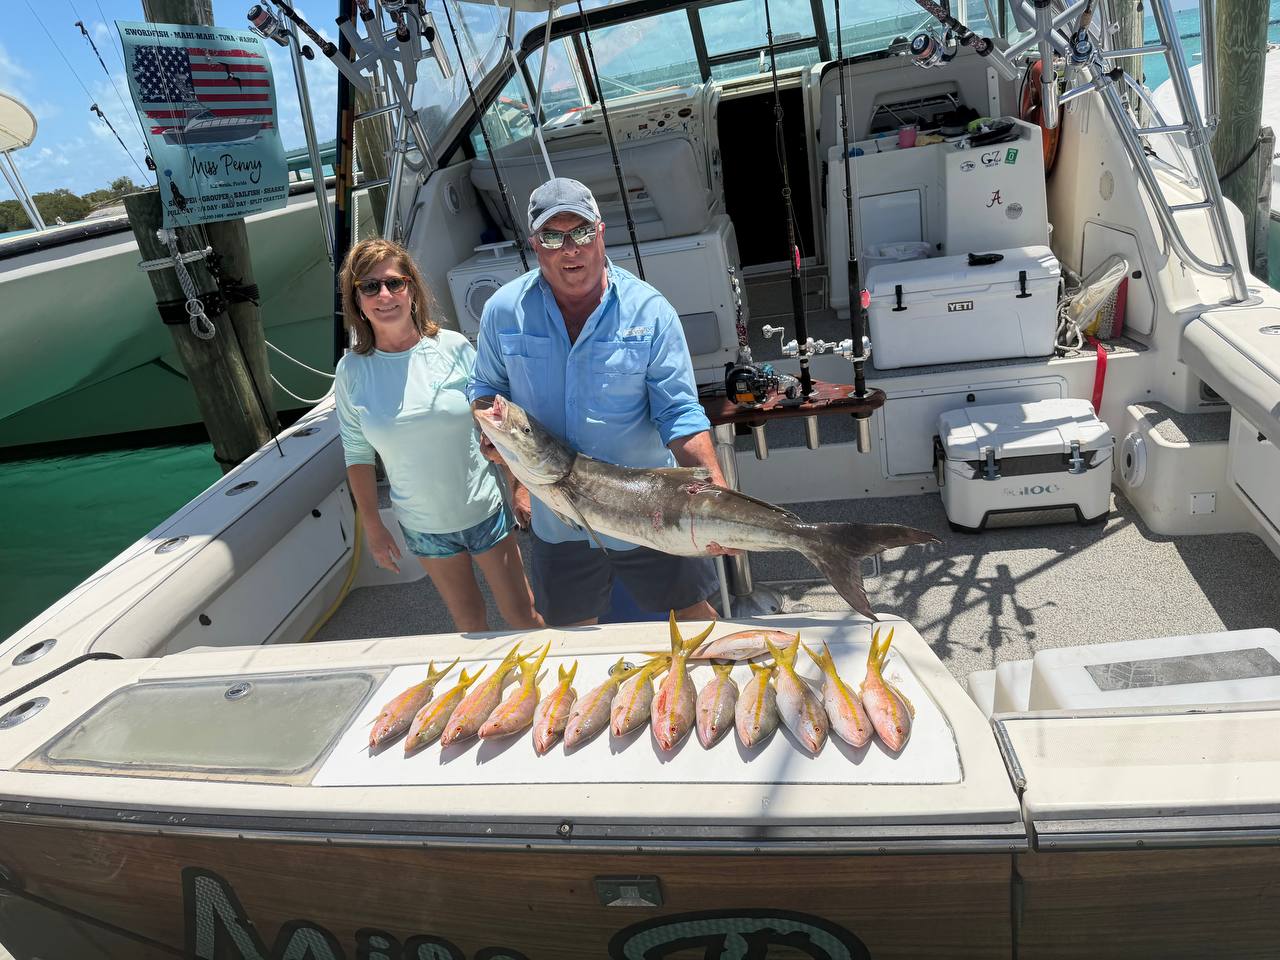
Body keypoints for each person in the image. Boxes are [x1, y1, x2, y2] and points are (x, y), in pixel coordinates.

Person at [469, 177, 731, 628]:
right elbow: (486, 390)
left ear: (600, 233)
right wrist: (506, 465)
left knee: (693, 618)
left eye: (581, 232)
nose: (570, 248)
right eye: (553, 236)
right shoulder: (502, 310)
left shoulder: (650, 311)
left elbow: (680, 413)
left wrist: (717, 494)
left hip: (647, 506)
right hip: (557, 515)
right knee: (569, 630)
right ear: (535, 244)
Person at [335, 238, 542, 633]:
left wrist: (519, 487)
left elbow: (499, 426)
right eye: (369, 286)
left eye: (394, 283)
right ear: (356, 299)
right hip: (423, 526)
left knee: (524, 617)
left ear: (411, 288)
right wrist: (374, 528)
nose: (384, 295)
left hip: (483, 512)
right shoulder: (350, 372)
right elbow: (357, 453)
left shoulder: (455, 348)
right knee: (469, 624)